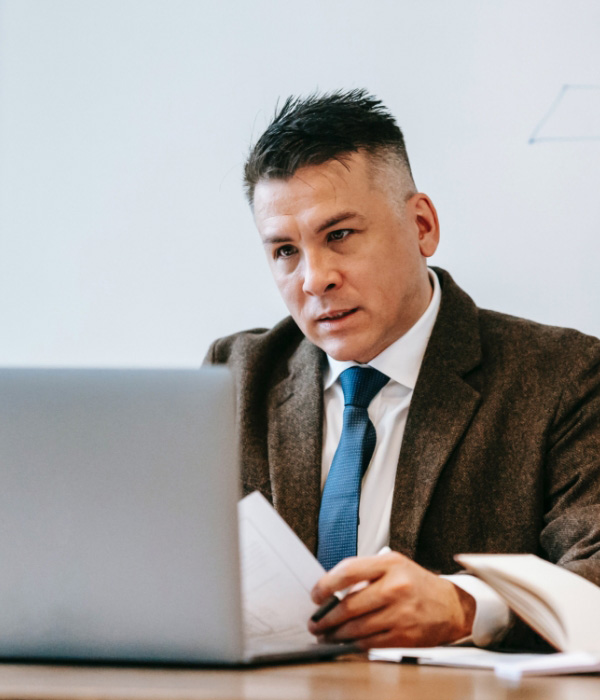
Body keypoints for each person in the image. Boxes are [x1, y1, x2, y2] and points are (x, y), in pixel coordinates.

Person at [205, 89, 600, 650]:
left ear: (421, 226)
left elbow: (595, 572)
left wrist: (467, 606)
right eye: (285, 251)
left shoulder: (564, 377)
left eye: (339, 236)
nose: (315, 279)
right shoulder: (234, 375)